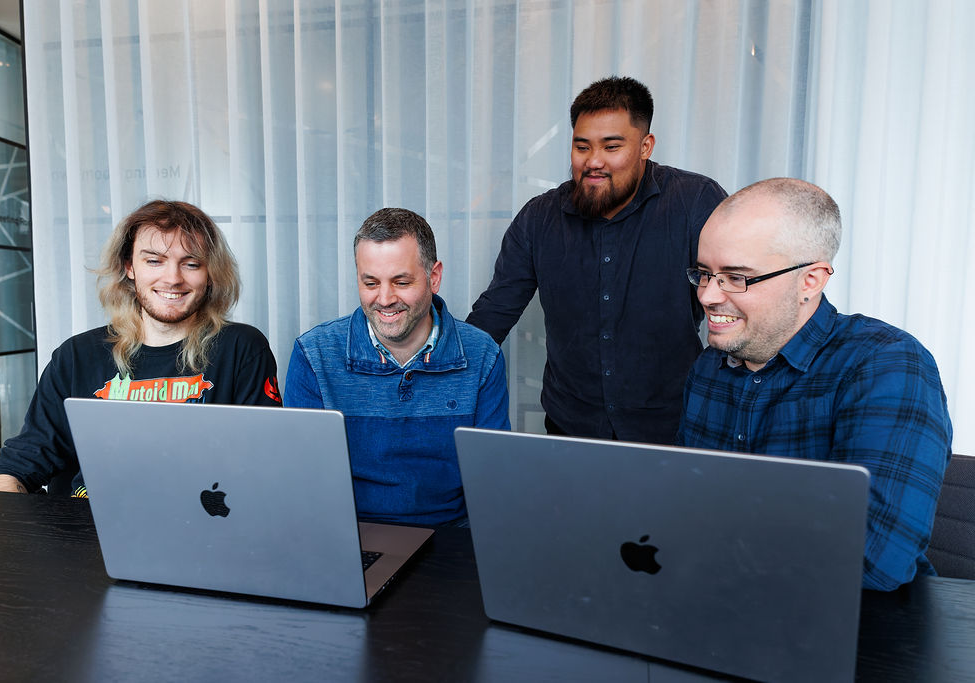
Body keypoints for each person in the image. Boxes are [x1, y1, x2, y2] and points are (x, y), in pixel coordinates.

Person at [678, 177, 952, 591]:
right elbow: (679, 512)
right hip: (723, 607)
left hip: (863, 633)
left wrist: (710, 530)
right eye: (704, 274)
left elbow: (874, 560)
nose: (708, 296)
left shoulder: (886, 364)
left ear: (810, 281)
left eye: (736, 277)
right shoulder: (708, 369)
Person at [466, 75, 727, 444]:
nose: (594, 162)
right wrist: (435, 365)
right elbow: (493, 314)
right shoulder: (539, 218)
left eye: (611, 146)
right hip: (570, 430)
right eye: (582, 146)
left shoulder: (695, 201)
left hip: (675, 429)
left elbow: (736, 292)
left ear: (645, 146)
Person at [0, 200, 283, 497]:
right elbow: (28, 455)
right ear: (129, 267)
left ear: (209, 274)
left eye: (191, 263)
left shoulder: (242, 348)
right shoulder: (76, 356)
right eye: (154, 261)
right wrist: (2, 493)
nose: (173, 278)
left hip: (198, 521)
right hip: (85, 526)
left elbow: (263, 461)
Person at [284, 208, 509, 526]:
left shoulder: (483, 355)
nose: (385, 299)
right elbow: (303, 482)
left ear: (434, 277)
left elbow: (493, 483)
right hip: (350, 533)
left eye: (401, 282)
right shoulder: (314, 355)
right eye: (371, 283)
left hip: (452, 536)